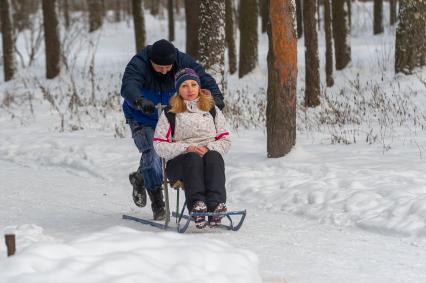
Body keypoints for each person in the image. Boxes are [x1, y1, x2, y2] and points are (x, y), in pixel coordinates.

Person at [120, 39, 224, 221]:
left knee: (172, 153)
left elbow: (202, 77)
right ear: (151, 61)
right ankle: (157, 200)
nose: (165, 71)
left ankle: (141, 176)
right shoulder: (139, 63)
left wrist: (216, 96)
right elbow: (129, 84)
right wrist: (139, 101)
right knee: (153, 152)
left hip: (170, 117)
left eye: (168, 67)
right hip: (143, 117)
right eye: (159, 67)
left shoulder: (181, 60)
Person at [153, 68, 231, 229]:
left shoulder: (211, 109)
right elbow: (159, 144)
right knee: (193, 158)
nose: (190, 90)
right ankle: (197, 206)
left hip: (208, 158)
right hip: (180, 162)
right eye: (184, 86)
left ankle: (216, 206)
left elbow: (225, 139)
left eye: (193, 85)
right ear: (178, 89)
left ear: (199, 86)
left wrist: (209, 148)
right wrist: (186, 148)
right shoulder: (170, 113)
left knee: (214, 156)